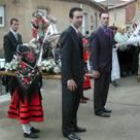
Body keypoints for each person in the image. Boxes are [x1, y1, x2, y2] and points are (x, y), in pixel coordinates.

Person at [60, 7, 86, 140]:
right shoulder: (67, 34)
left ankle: (73, 125)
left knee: (75, 104)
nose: (80, 19)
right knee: (68, 105)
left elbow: (79, 57)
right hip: (70, 79)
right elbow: (65, 59)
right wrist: (69, 78)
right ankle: (67, 131)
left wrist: (83, 72)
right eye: (77, 17)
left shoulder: (77, 33)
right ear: (71, 18)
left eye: (81, 17)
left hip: (78, 77)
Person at [7, 44, 44, 139]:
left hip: (30, 92)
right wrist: (37, 71)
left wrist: (38, 70)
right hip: (23, 94)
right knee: (25, 109)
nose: (30, 55)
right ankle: (26, 131)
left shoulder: (29, 63)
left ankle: (29, 127)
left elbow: (34, 74)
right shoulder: (21, 65)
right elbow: (26, 77)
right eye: (28, 53)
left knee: (29, 110)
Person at [90, 12, 118, 117]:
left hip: (108, 66)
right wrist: (95, 69)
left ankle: (102, 106)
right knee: (99, 90)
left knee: (105, 89)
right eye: (104, 18)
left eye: (107, 18)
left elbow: (111, 44)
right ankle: (98, 110)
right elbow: (94, 53)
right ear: (100, 19)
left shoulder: (110, 32)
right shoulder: (96, 34)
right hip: (99, 67)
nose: (106, 20)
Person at [3, 18, 23, 92]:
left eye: (17, 24)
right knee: (12, 88)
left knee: (19, 88)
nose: (16, 26)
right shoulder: (7, 36)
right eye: (14, 24)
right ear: (11, 25)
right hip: (11, 65)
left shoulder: (19, 36)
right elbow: (7, 52)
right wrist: (15, 56)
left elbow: (21, 48)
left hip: (19, 65)